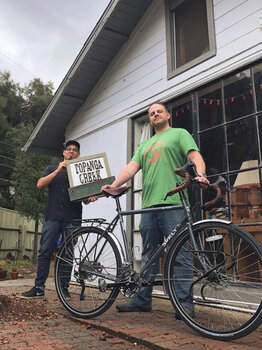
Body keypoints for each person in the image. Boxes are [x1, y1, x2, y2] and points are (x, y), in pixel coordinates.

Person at [102, 102, 209, 317]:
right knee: (149, 255)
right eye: (151, 113)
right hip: (149, 205)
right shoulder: (144, 145)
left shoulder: (179, 134)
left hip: (174, 203)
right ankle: (142, 300)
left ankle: (184, 305)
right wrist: (113, 185)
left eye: (159, 111)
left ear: (168, 115)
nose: (155, 114)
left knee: (181, 255)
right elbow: (131, 168)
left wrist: (200, 174)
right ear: (149, 120)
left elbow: (195, 156)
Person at [21, 140, 89, 300]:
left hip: (72, 219)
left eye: (74, 150)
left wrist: (91, 197)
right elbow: (39, 184)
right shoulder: (52, 169)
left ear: (78, 155)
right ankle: (39, 287)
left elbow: (86, 199)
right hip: (52, 217)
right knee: (45, 252)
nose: (71, 152)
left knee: (67, 254)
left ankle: (63, 289)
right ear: (64, 153)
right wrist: (58, 169)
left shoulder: (80, 174)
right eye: (68, 149)